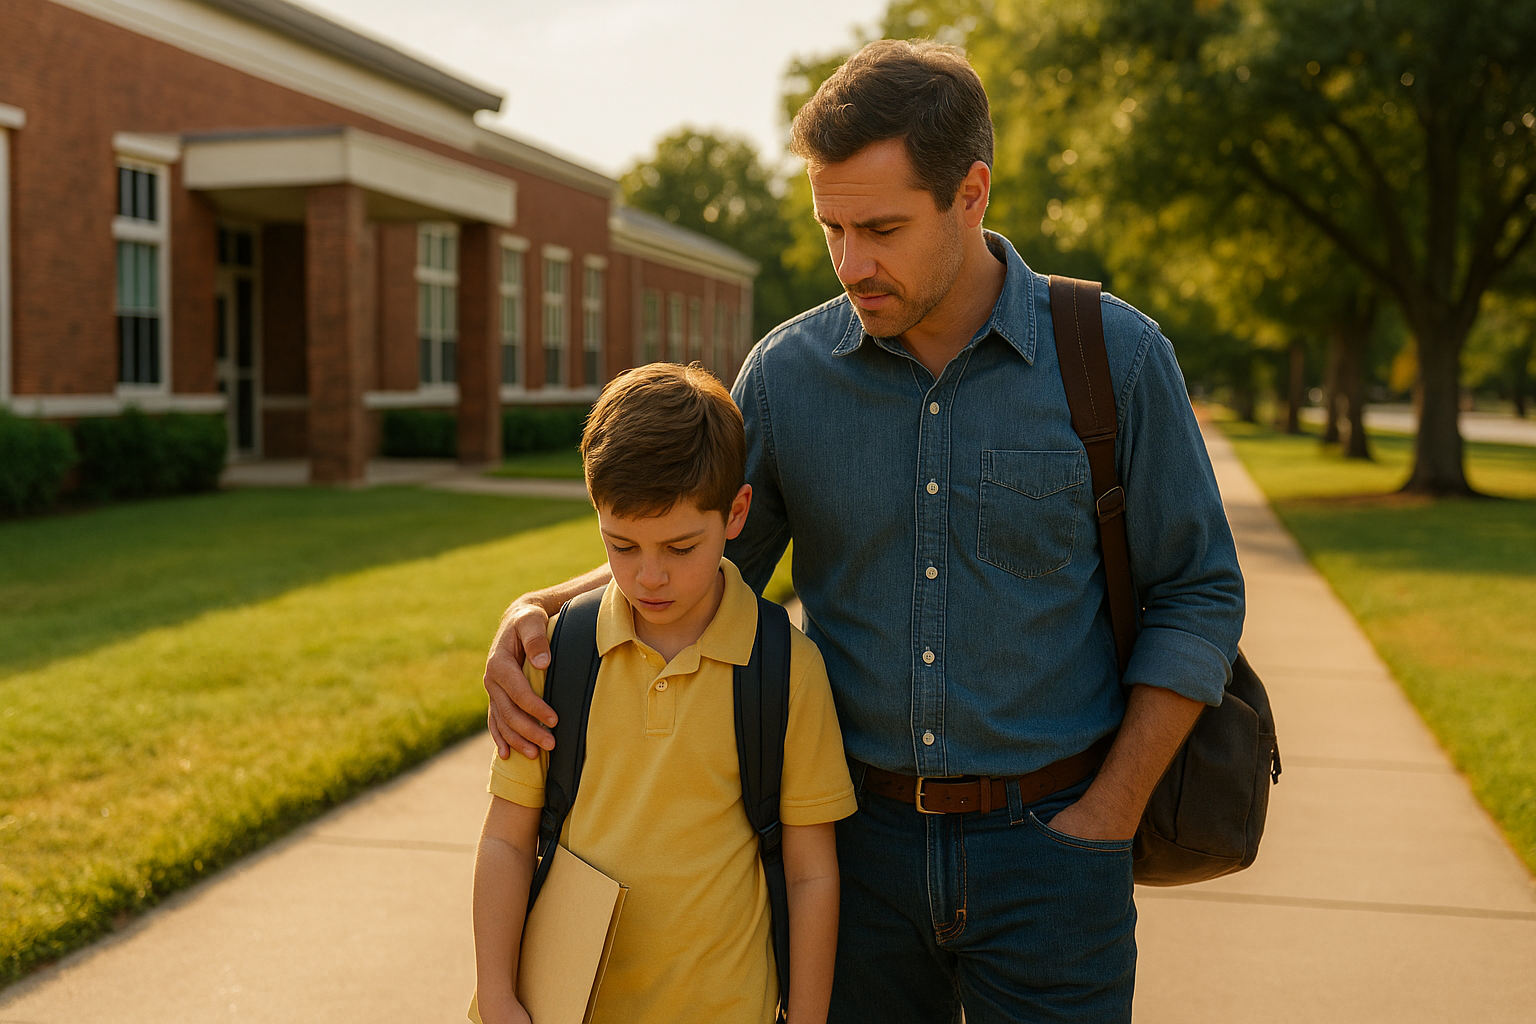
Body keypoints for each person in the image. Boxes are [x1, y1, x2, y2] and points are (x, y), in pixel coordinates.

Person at [481, 39, 1244, 1024]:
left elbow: (1200, 591)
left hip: (1055, 854)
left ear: (970, 194)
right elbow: (700, 564)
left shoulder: (1114, 357)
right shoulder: (787, 378)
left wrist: (1108, 817)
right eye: (831, 227)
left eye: (880, 228)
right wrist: (538, 609)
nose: (851, 263)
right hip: (851, 855)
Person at [470, 362, 856, 1024]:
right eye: (621, 545)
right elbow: (507, 840)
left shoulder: (786, 668)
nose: (649, 576)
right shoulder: (556, 657)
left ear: (736, 513)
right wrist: (500, 994)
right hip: (566, 1008)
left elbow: (811, 872)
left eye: (680, 547)